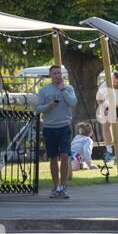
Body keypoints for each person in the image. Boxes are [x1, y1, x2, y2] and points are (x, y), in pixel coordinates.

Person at [37, 65, 77, 198]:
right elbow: (38, 108)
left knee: (65, 156)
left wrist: (63, 90)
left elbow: (73, 103)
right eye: (54, 73)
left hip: (64, 126)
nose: (57, 75)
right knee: (53, 157)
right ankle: (55, 187)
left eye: (59, 73)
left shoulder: (68, 88)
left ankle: (63, 187)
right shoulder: (44, 90)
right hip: (49, 128)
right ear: (50, 75)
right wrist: (48, 106)